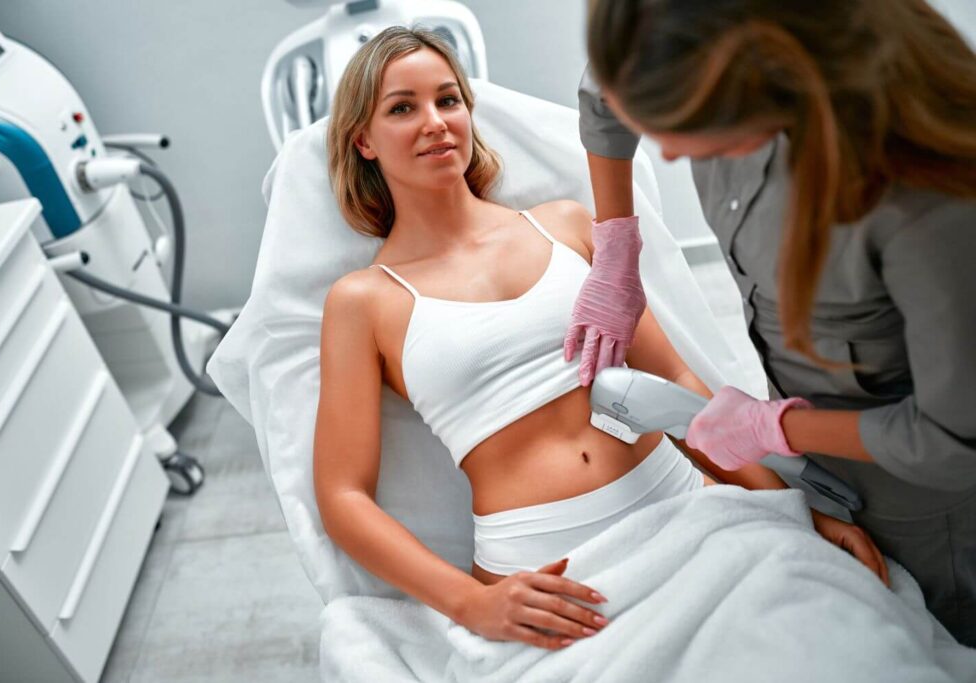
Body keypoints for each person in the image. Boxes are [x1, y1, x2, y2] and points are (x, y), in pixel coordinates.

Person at [314, 26, 886, 652]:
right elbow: (342, 496)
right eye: (402, 108)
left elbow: (677, 385)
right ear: (363, 140)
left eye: (448, 100)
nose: (435, 122)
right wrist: (472, 604)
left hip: (689, 518)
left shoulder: (565, 227)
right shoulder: (362, 301)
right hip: (549, 582)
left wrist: (796, 511)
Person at [575, 0, 976, 645]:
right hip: (809, 457)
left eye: (686, 127)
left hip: (924, 493)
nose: (667, 152)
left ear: (760, 78)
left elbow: (956, 441)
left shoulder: (924, 201)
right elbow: (605, 93)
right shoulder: (670, 37)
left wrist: (773, 427)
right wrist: (617, 239)